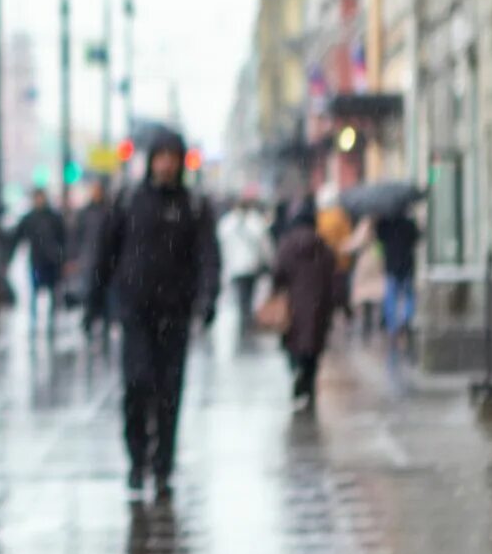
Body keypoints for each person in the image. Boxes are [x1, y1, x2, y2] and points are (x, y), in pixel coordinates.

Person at [95, 130, 219, 499]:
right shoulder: (129, 201)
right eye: (160, 156)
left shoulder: (193, 206)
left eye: (172, 157)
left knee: (168, 392)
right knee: (136, 383)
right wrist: (94, 301)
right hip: (135, 312)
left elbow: (207, 257)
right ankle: (137, 458)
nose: (166, 164)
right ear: (150, 161)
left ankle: (163, 464)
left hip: (175, 314)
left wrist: (207, 297)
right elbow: (105, 253)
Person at [273, 201, 338, 408]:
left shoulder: (287, 244)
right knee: (314, 347)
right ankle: (308, 384)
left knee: (293, 344)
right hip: (319, 306)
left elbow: (278, 273)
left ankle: (297, 371)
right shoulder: (324, 246)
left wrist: (277, 290)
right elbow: (333, 277)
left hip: (294, 305)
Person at [8, 188, 68, 332]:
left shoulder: (52, 217)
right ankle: (35, 322)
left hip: (52, 261)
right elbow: (17, 237)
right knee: (36, 291)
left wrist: (63, 256)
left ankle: (49, 322)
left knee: (51, 291)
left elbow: (63, 237)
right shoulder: (31, 218)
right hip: (37, 260)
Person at [69, 178, 116, 351]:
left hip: (104, 260)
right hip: (89, 258)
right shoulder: (86, 213)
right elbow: (76, 237)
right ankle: (90, 320)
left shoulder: (109, 211)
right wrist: (73, 258)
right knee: (90, 291)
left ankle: (101, 320)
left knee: (102, 291)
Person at [217, 199, 271, 335]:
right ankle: (244, 320)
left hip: (237, 267)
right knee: (244, 295)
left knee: (241, 295)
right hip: (248, 266)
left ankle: (243, 320)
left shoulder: (227, 223)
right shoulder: (255, 222)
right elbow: (264, 245)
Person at [375, 211, 421, 341]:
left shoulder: (385, 224)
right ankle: (407, 320)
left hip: (392, 265)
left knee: (391, 297)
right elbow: (416, 238)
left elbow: (379, 238)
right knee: (408, 295)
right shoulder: (409, 223)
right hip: (407, 265)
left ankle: (393, 326)